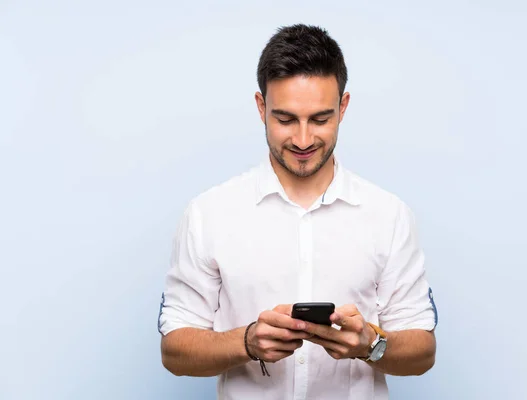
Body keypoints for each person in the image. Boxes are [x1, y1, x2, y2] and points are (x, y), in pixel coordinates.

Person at [157, 23, 438, 400]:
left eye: (320, 119)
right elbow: (174, 350)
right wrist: (246, 342)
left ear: (343, 106)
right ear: (261, 108)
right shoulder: (208, 214)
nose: (303, 140)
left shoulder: (389, 216)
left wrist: (370, 344)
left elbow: (422, 352)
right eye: (286, 119)